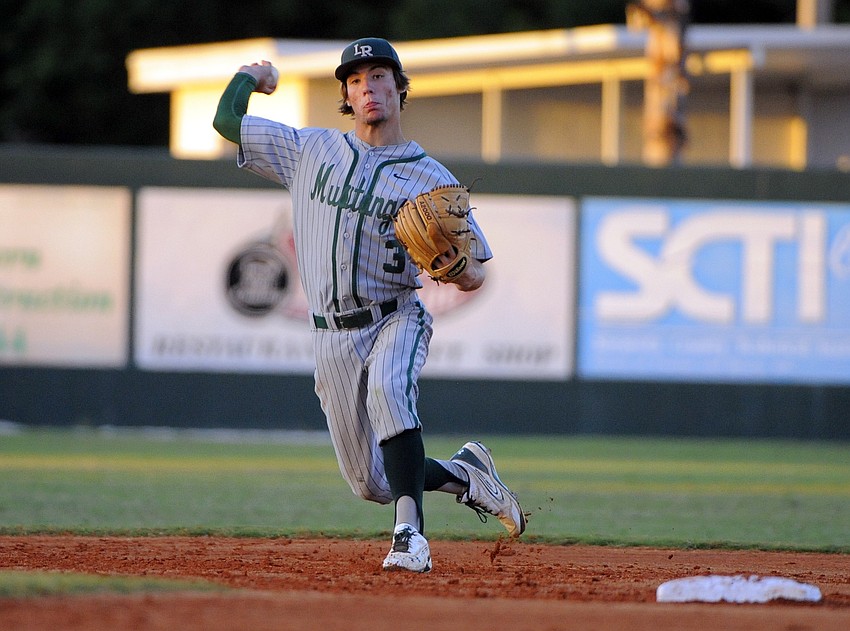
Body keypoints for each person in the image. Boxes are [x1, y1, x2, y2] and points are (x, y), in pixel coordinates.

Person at [213, 37, 525, 573]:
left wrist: (455, 268)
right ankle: (467, 476)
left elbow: (475, 274)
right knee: (370, 482)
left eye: (379, 76)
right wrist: (250, 77)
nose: (368, 87)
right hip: (330, 333)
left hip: (394, 316)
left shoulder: (433, 179)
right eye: (356, 80)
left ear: (400, 89)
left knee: (388, 390)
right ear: (347, 96)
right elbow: (226, 121)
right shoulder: (311, 151)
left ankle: (410, 536)